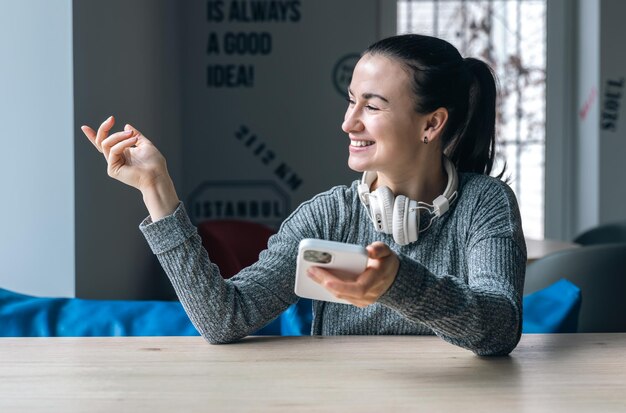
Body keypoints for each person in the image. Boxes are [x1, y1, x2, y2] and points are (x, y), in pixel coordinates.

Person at [81, 34, 526, 356]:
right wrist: (156, 188)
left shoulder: (485, 205)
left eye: (371, 106)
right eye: (350, 101)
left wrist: (397, 283)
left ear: (431, 124)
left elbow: (500, 328)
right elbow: (223, 319)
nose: (348, 123)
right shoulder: (328, 216)